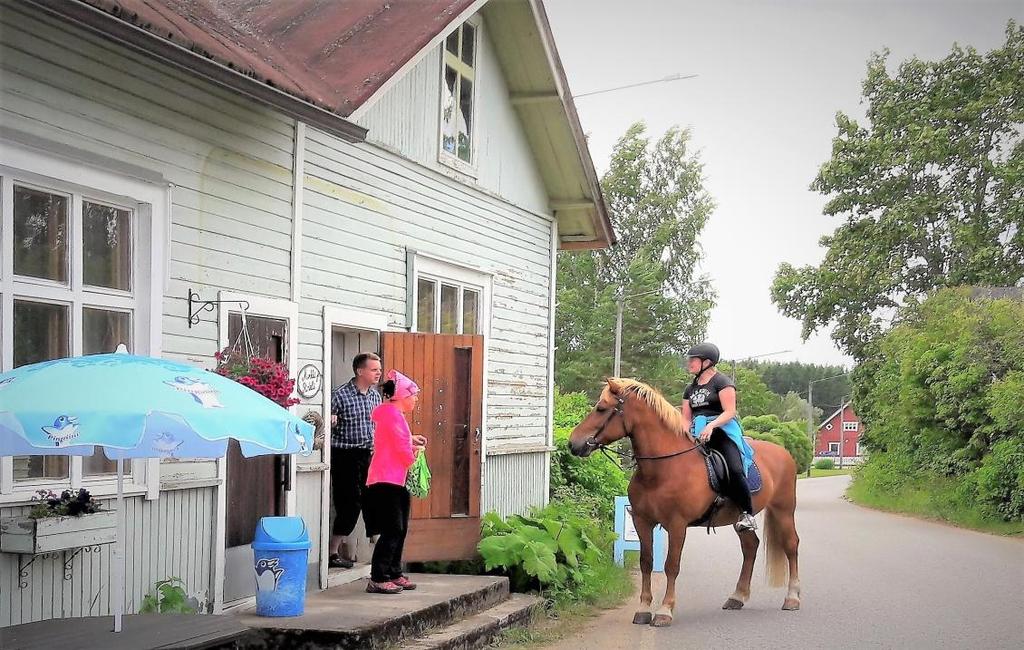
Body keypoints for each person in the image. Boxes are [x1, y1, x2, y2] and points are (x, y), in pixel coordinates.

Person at [681, 342, 758, 532]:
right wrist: (686, 434)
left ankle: (747, 513)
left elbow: (730, 411)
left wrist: (711, 426)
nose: (689, 363)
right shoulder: (689, 389)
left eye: (693, 359)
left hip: (722, 430)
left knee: (734, 467)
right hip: (696, 432)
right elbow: (685, 418)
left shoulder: (722, 382)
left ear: (706, 362)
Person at [363, 370, 427, 594]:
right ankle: (379, 577)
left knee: (400, 529)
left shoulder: (391, 414)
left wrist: (411, 439)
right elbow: (401, 449)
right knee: (393, 529)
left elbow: (396, 439)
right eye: (414, 394)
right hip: (386, 479)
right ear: (401, 395)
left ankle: (394, 572)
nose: (416, 399)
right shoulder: (393, 415)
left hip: (393, 478)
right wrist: (414, 453)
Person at [329, 353, 382, 569]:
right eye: (373, 369)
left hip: (368, 455)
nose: (378, 373)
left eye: (379, 369)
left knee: (374, 501)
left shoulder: (375, 396)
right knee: (349, 504)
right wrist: (331, 419)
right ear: (360, 371)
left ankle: (379, 550)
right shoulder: (339, 396)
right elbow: (324, 425)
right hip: (345, 456)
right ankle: (333, 553)